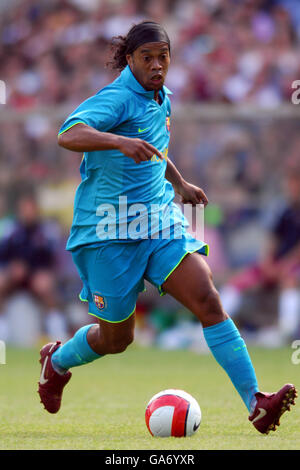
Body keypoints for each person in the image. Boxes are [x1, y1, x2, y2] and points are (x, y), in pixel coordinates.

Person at [38, 21, 297, 434]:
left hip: (158, 222)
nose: (157, 65)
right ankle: (58, 360)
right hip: (108, 233)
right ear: (130, 60)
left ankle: (256, 402)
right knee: (117, 339)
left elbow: (153, 145)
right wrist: (118, 142)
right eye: (147, 58)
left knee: (208, 299)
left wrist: (179, 184)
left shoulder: (162, 98)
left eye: (163, 56)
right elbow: (68, 134)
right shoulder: (117, 98)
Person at [220, 167, 300, 345]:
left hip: (292, 266)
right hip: (277, 264)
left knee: (290, 281)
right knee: (237, 282)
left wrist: (286, 266)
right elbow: (272, 239)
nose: (291, 187)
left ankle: (287, 334)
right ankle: (217, 327)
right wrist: (267, 262)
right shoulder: (283, 209)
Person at [0, 194, 68, 341]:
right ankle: (2, 328)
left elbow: (52, 258)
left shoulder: (46, 231)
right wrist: (12, 267)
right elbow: (3, 255)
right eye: (24, 209)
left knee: (44, 285)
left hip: (37, 274)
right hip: (15, 276)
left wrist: (34, 270)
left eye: (30, 209)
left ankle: (56, 327)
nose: (27, 213)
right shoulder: (11, 230)